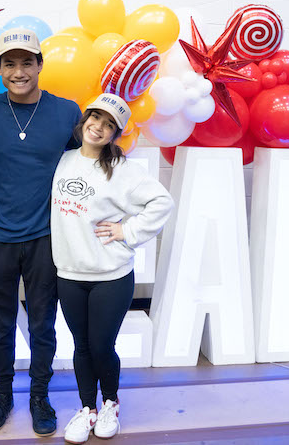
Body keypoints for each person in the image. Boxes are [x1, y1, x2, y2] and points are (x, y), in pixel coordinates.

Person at [0, 28, 82, 436]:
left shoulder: (68, 112)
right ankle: (2, 394)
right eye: (10, 63)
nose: (19, 71)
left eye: (27, 62)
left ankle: (39, 395)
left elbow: (94, 156)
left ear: (39, 64)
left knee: (42, 324)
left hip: (45, 237)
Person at [53, 93, 173, 444]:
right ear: (84, 119)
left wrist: (128, 231)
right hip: (69, 274)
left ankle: (110, 404)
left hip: (111, 276)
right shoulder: (62, 162)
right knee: (81, 346)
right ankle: (86, 409)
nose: (99, 128)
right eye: (96, 118)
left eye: (109, 125)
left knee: (102, 345)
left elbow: (162, 202)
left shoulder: (124, 171)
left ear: (115, 134)